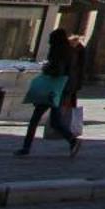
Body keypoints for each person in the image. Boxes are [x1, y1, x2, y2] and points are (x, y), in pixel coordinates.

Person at [17, 27, 82, 157]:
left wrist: (46, 68)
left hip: (51, 89)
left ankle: (26, 147)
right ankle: (72, 140)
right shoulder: (70, 51)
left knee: (35, 119)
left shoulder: (57, 50)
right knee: (55, 121)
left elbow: (57, 70)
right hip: (62, 89)